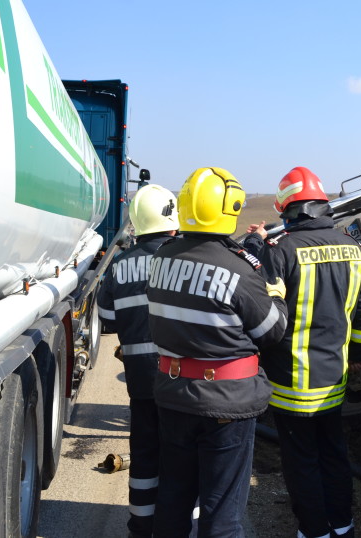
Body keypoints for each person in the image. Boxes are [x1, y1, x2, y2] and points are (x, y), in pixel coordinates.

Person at [145, 166, 288, 538]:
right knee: (221, 512)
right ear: (231, 208)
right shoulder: (239, 269)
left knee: (173, 499)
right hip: (226, 405)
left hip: (174, 396)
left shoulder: (161, 259)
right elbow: (270, 331)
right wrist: (275, 295)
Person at [244, 166, 361, 538]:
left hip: (291, 383)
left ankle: (313, 531)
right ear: (322, 205)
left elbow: (267, 318)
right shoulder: (353, 247)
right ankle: (343, 526)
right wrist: (360, 354)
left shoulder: (283, 250)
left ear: (287, 209)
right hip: (335, 376)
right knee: (334, 454)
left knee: (301, 461)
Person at [96, 184, 180, 538]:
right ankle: (176, 527)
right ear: (172, 221)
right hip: (180, 382)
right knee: (179, 458)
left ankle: (141, 528)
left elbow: (107, 318)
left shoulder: (119, 265)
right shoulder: (182, 260)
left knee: (144, 457)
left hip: (141, 381)